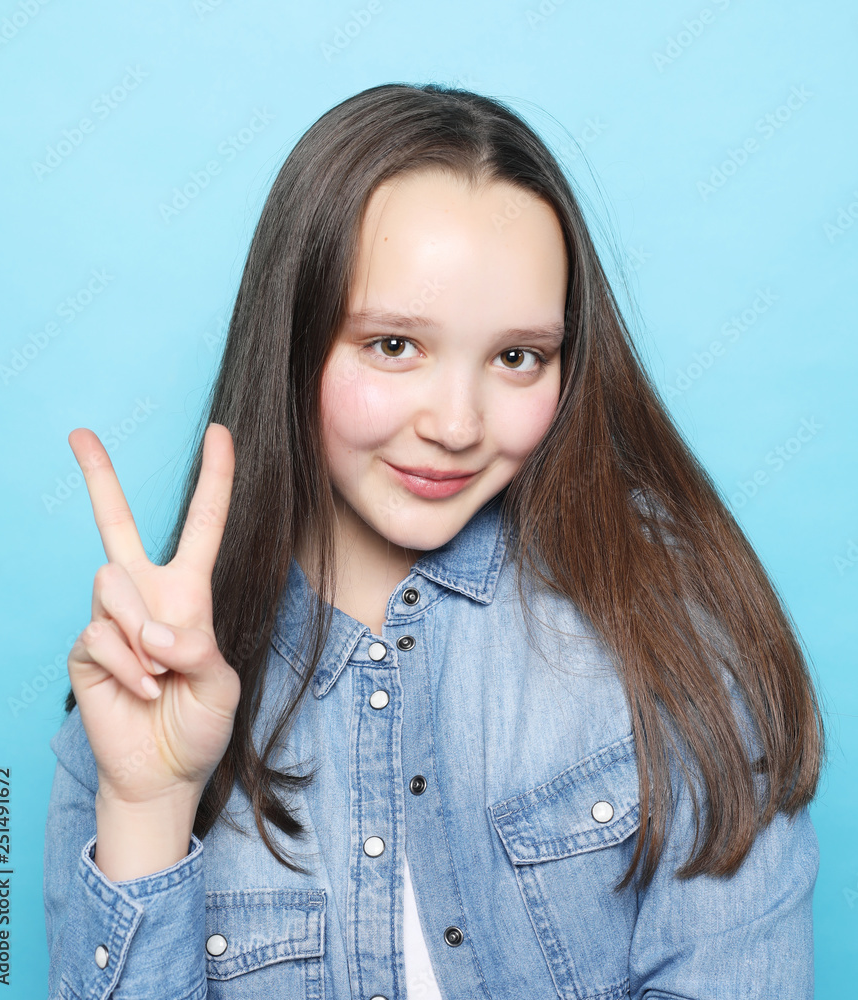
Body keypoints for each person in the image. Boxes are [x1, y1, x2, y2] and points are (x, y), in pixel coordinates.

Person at [43, 83, 825, 1000]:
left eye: (517, 357)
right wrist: (147, 808)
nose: (457, 425)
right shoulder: (138, 693)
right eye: (394, 346)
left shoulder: (669, 618)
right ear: (292, 340)